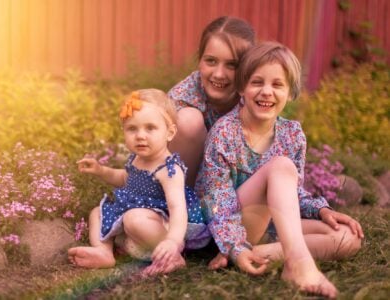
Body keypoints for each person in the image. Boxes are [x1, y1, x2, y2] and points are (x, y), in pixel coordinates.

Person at [195, 42, 364, 299]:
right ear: (241, 88)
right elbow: (215, 202)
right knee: (281, 166)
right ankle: (298, 264)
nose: (266, 92)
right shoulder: (224, 133)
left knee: (348, 238)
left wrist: (322, 210)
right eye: (257, 82)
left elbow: (293, 194)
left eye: (277, 85)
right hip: (232, 224)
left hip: (274, 229)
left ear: (290, 93)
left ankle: (263, 254)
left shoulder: (292, 134)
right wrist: (234, 244)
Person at [68, 89, 210, 276]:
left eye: (150, 128)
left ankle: (172, 257)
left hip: (164, 223)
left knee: (134, 219)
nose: (140, 136)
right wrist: (100, 170)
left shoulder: (169, 169)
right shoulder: (137, 157)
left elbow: (178, 209)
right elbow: (126, 179)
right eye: (132, 128)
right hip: (139, 212)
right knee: (97, 213)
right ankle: (103, 252)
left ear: (170, 132)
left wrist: (173, 241)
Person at [168, 16, 255, 187]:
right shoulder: (182, 97)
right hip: (174, 187)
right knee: (189, 121)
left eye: (232, 65)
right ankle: (182, 205)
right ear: (200, 60)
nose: (219, 74)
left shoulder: (253, 96)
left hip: (228, 194)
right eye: (211, 61)